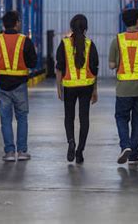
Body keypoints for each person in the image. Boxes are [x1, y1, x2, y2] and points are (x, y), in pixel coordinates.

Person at [0, 11, 38, 162]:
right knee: (22, 118)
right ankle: (21, 151)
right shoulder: (25, 41)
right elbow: (33, 63)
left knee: (5, 119)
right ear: (16, 23)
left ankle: (9, 152)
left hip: (2, 86)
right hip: (20, 85)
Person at [109, 8, 138, 165]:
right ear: (136, 21)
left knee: (121, 118)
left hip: (123, 89)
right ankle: (133, 154)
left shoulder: (117, 40)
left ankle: (125, 146)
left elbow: (111, 65)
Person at [55, 14, 99, 164]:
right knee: (84, 118)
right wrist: (95, 90)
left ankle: (71, 141)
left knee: (69, 117)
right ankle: (80, 150)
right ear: (86, 28)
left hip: (69, 87)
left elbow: (59, 67)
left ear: (71, 27)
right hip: (86, 86)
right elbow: (94, 69)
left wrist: (59, 88)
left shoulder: (64, 44)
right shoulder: (90, 44)